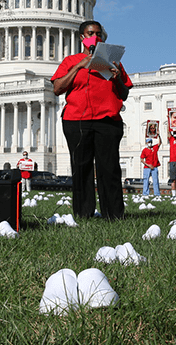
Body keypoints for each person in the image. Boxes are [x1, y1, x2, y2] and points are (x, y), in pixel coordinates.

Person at [51, 20, 132, 220]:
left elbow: (124, 94)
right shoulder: (71, 61)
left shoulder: (113, 62)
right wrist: (79, 66)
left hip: (107, 119)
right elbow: (57, 88)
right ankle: (83, 213)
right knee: (81, 168)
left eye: (98, 34)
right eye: (90, 33)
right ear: (82, 37)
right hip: (76, 120)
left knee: (109, 168)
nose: (94, 37)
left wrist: (117, 78)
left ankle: (113, 215)